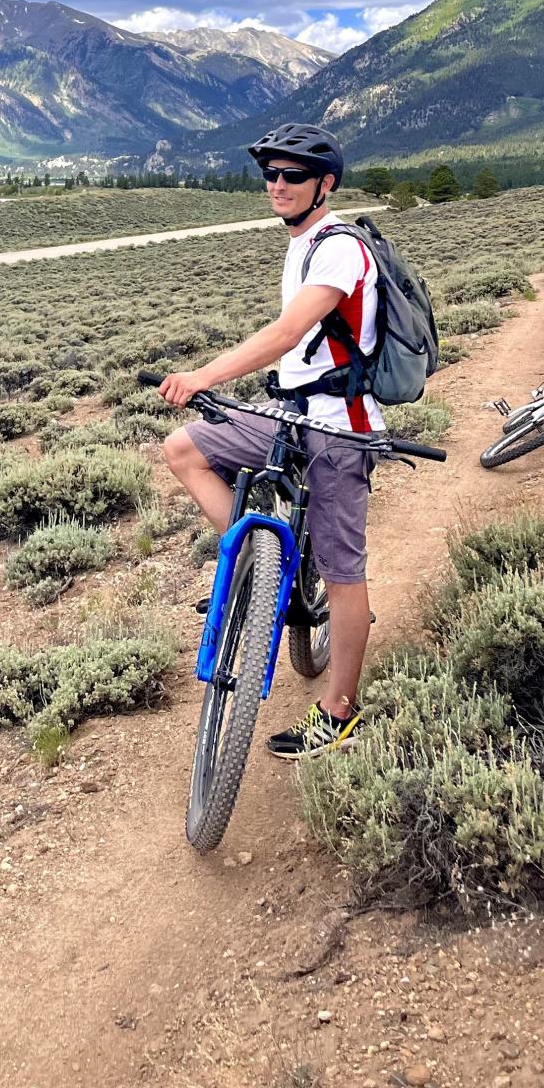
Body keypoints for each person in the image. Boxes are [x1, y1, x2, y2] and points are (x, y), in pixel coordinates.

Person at [157, 123, 380, 758]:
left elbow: (286, 334)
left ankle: (339, 710)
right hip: (291, 412)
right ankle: (264, 561)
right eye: (271, 176)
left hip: (341, 426)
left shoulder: (339, 248)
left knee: (342, 572)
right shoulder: (301, 242)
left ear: (324, 185)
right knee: (185, 449)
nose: (277, 186)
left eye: (292, 176)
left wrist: (203, 374)